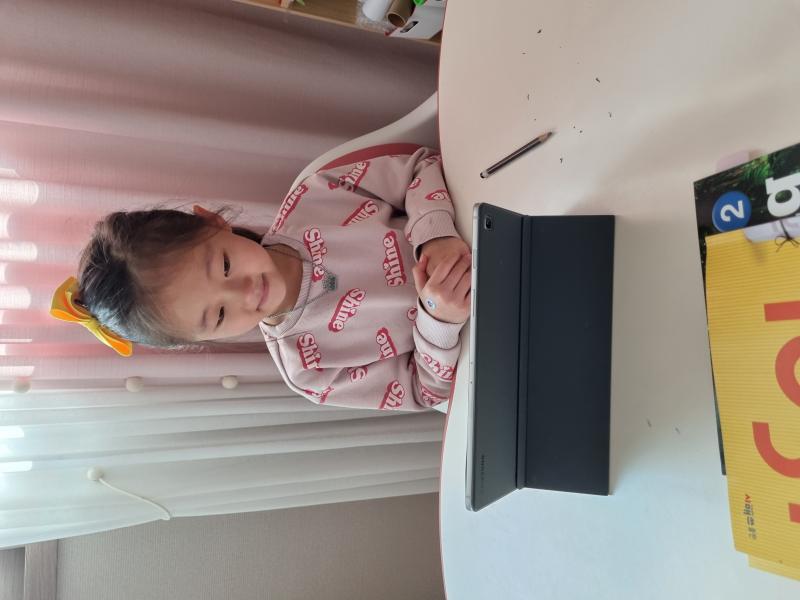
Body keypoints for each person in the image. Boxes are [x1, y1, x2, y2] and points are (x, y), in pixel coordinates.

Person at [51, 145, 471, 411]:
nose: (245, 292)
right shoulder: (310, 372)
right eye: (219, 314)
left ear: (213, 222)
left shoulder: (318, 194)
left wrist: (435, 236)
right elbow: (426, 392)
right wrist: (440, 323)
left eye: (225, 266)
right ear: (204, 340)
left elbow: (421, 164)